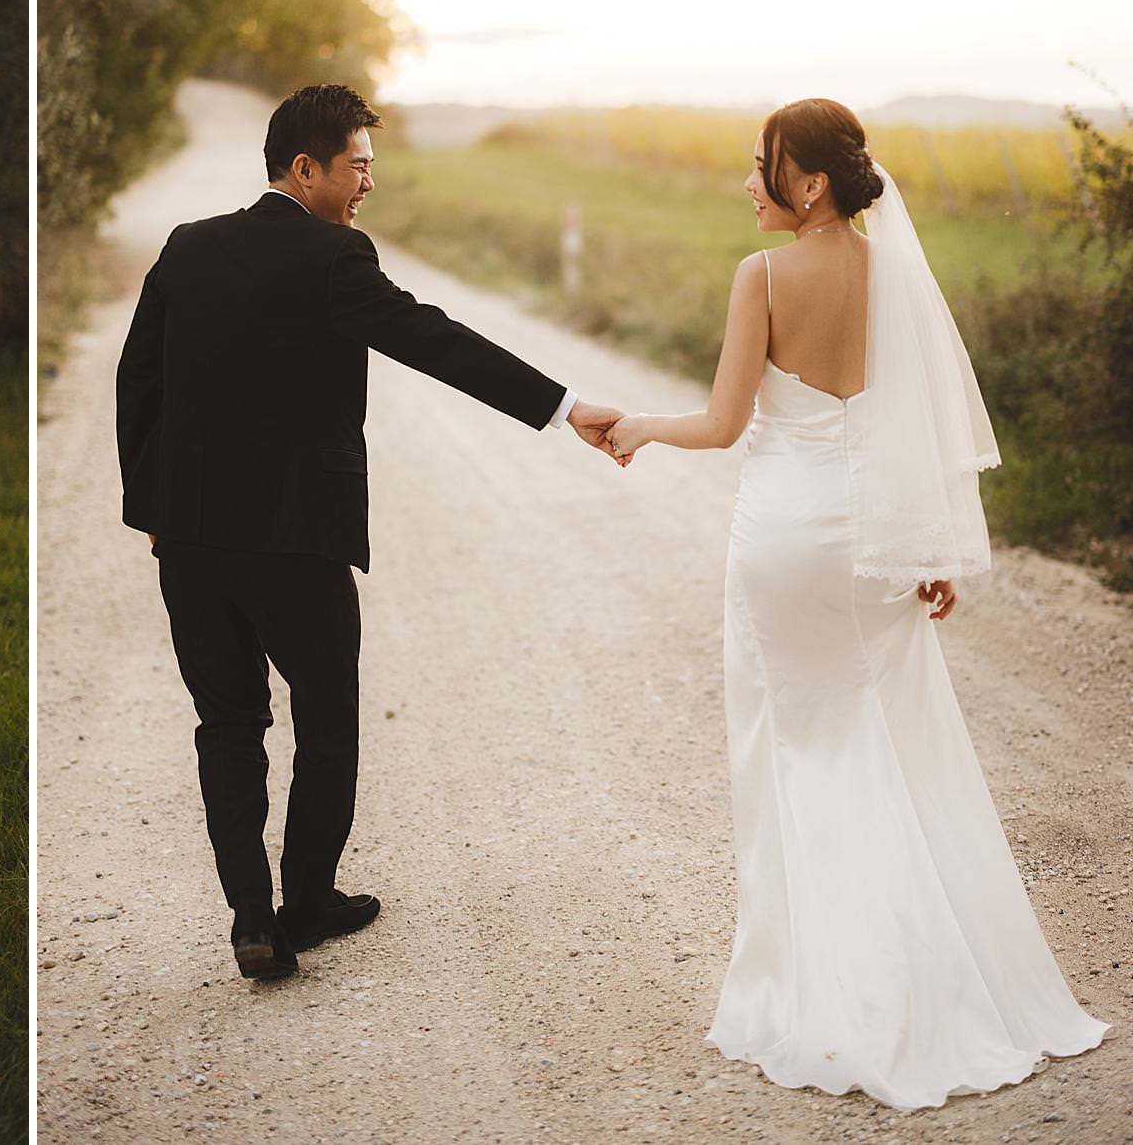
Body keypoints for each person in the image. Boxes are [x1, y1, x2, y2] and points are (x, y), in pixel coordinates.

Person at [606, 96, 1108, 1109]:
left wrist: (636, 428)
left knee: (794, 754)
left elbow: (720, 421)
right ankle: (941, 977)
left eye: (761, 166)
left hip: (786, 540)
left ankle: (831, 992)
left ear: (809, 183)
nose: (747, 182)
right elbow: (913, 424)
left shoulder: (760, 275)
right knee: (897, 750)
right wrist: (932, 544)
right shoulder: (895, 276)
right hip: (876, 541)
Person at [115, 83, 626, 981]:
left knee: (226, 725)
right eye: (358, 165)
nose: (368, 185)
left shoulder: (188, 248)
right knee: (327, 719)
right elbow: (434, 338)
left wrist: (152, 514)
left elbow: (138, 382)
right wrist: (563, 407)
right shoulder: (331, 257)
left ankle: (250, 916)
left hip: (190, 545)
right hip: (295, 543)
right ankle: (305, 901)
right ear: (304, 167)